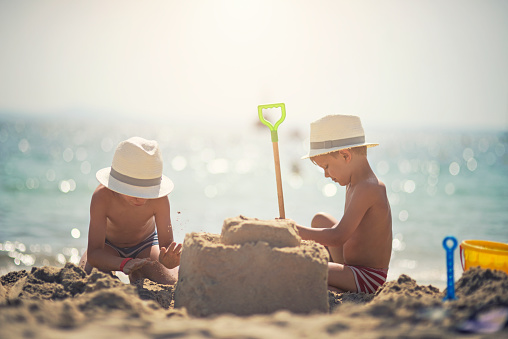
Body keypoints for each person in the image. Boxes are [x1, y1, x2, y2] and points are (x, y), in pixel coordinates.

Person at [295, 115, 392, 294]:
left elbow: (338, 237)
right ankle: (332, 278)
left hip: (366, 277)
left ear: (345, 155)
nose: (325, 174)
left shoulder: (369, 187)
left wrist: (293, 230)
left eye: (326, 166)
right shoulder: (353, 182)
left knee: (305, 268)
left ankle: (333, 284)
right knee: (320, 220)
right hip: (350, 264)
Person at [79, 136, 182, 284]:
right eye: (134, 192)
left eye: (147, 192)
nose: (141, 199)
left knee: (170, 281)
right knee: (86, 276)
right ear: (116, 185)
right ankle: (131, 270)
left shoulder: (160, 199)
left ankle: (139, 274)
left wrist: (170, 261)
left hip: (146, 245)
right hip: (108, 247)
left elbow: (166, 248)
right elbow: (95, 253)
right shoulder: (102, 197)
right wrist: (123, 263)